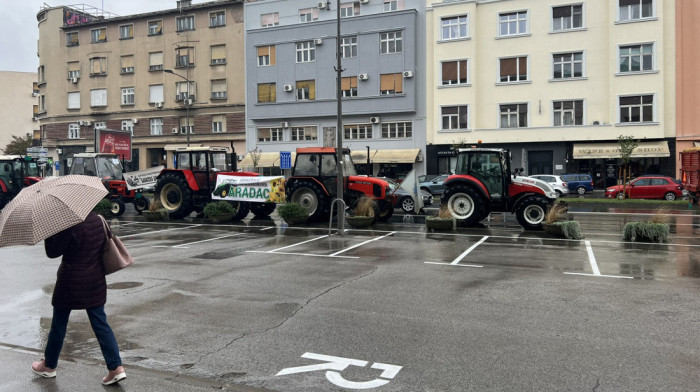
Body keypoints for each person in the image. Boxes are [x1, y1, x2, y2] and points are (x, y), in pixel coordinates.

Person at [31, 212, 126, 386]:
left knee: (59, 324)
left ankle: (49, 366)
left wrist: (48, 232)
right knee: (100, 323)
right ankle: (116, 367)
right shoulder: (99, 219)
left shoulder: (68, 224)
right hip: (95, 279)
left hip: (70, 281)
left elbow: (52, 252)